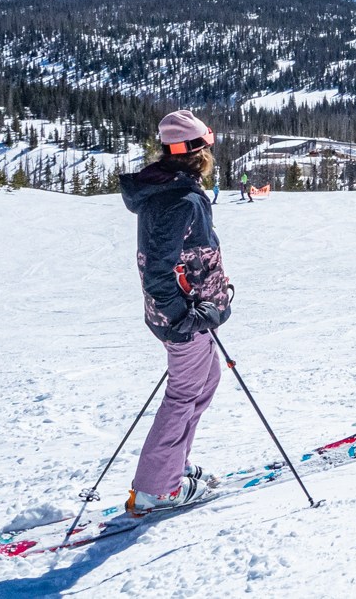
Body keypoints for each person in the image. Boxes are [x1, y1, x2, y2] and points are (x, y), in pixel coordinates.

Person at [117, 110, 233, 517]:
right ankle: (157, 488)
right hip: (183, 318)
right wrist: (184, 315)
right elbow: (156, 268)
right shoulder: (177, 199)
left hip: (191, 313)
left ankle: (172, 465)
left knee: (207, 381)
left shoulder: (174, 190)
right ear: (198, 152)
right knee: (184, 394)